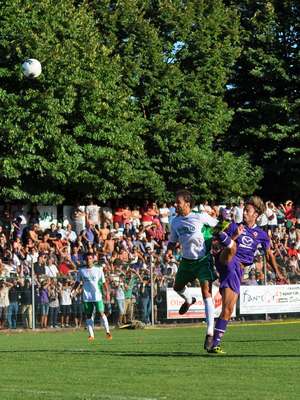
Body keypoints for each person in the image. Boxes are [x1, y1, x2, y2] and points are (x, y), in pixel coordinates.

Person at [208, 196, 284, 354]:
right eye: (244, 210)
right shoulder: (234, 226)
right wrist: (234, 235)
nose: (244, 213)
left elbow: (269, 255)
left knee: (228, 309)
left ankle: (213, 342)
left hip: (237, 270)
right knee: (231, 246)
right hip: (226, 260)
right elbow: (215, 241)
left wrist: (277, 271)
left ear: (256, 214)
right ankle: (213, 341)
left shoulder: (261, 234)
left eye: (247, 211)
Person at [167, 189, 219, 350]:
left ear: (187, 204)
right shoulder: (174, 222)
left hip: (203, 260)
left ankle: (210, 333)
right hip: (187, 261)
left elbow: (218, 226)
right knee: (177, 287)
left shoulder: (200, 216)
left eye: (178, 202)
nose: (176, 205)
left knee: (206, 292)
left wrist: (217, 240)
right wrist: (169, 250)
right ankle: (189, 300)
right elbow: (173, 240)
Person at [72, 253, 112, 341]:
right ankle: (91, 335)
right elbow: (78, 282)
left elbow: (104, 282)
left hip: (97, 295)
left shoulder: (98, 270)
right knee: (88, 315)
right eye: (87, 259)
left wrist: (107, 292)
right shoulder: (81, 270)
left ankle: (108, 332)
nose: (88, 260)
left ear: (93, 259)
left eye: (90, 258)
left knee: (101, 313)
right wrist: (73, 289)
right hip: (87, 296)